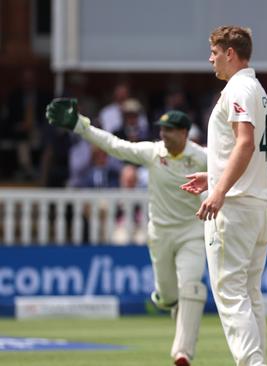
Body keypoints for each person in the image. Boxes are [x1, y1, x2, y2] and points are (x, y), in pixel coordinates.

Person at [45, 101, 208, 366]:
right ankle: (171, 301)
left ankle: (182, 354)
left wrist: (266, 151)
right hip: (161, 234)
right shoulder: (153, 153)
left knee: (192, 287)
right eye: (162, 129)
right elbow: (114, 145)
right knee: (169, 297)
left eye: (170, 130)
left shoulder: (202, 157)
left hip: (192, 233)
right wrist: (79, 125)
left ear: (185, 133)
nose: (164, 134)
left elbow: (236, 161)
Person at [180, 25, 267, 366]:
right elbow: (245, 147)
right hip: (256, 202)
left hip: (236, 206)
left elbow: (245, 141)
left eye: (215, 53)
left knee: (230, 293)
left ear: (230, 53)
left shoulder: (239, 88)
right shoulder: (257, 89)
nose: (211, 59)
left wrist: (219, 190)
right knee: (248, 293)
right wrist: (213, 175)